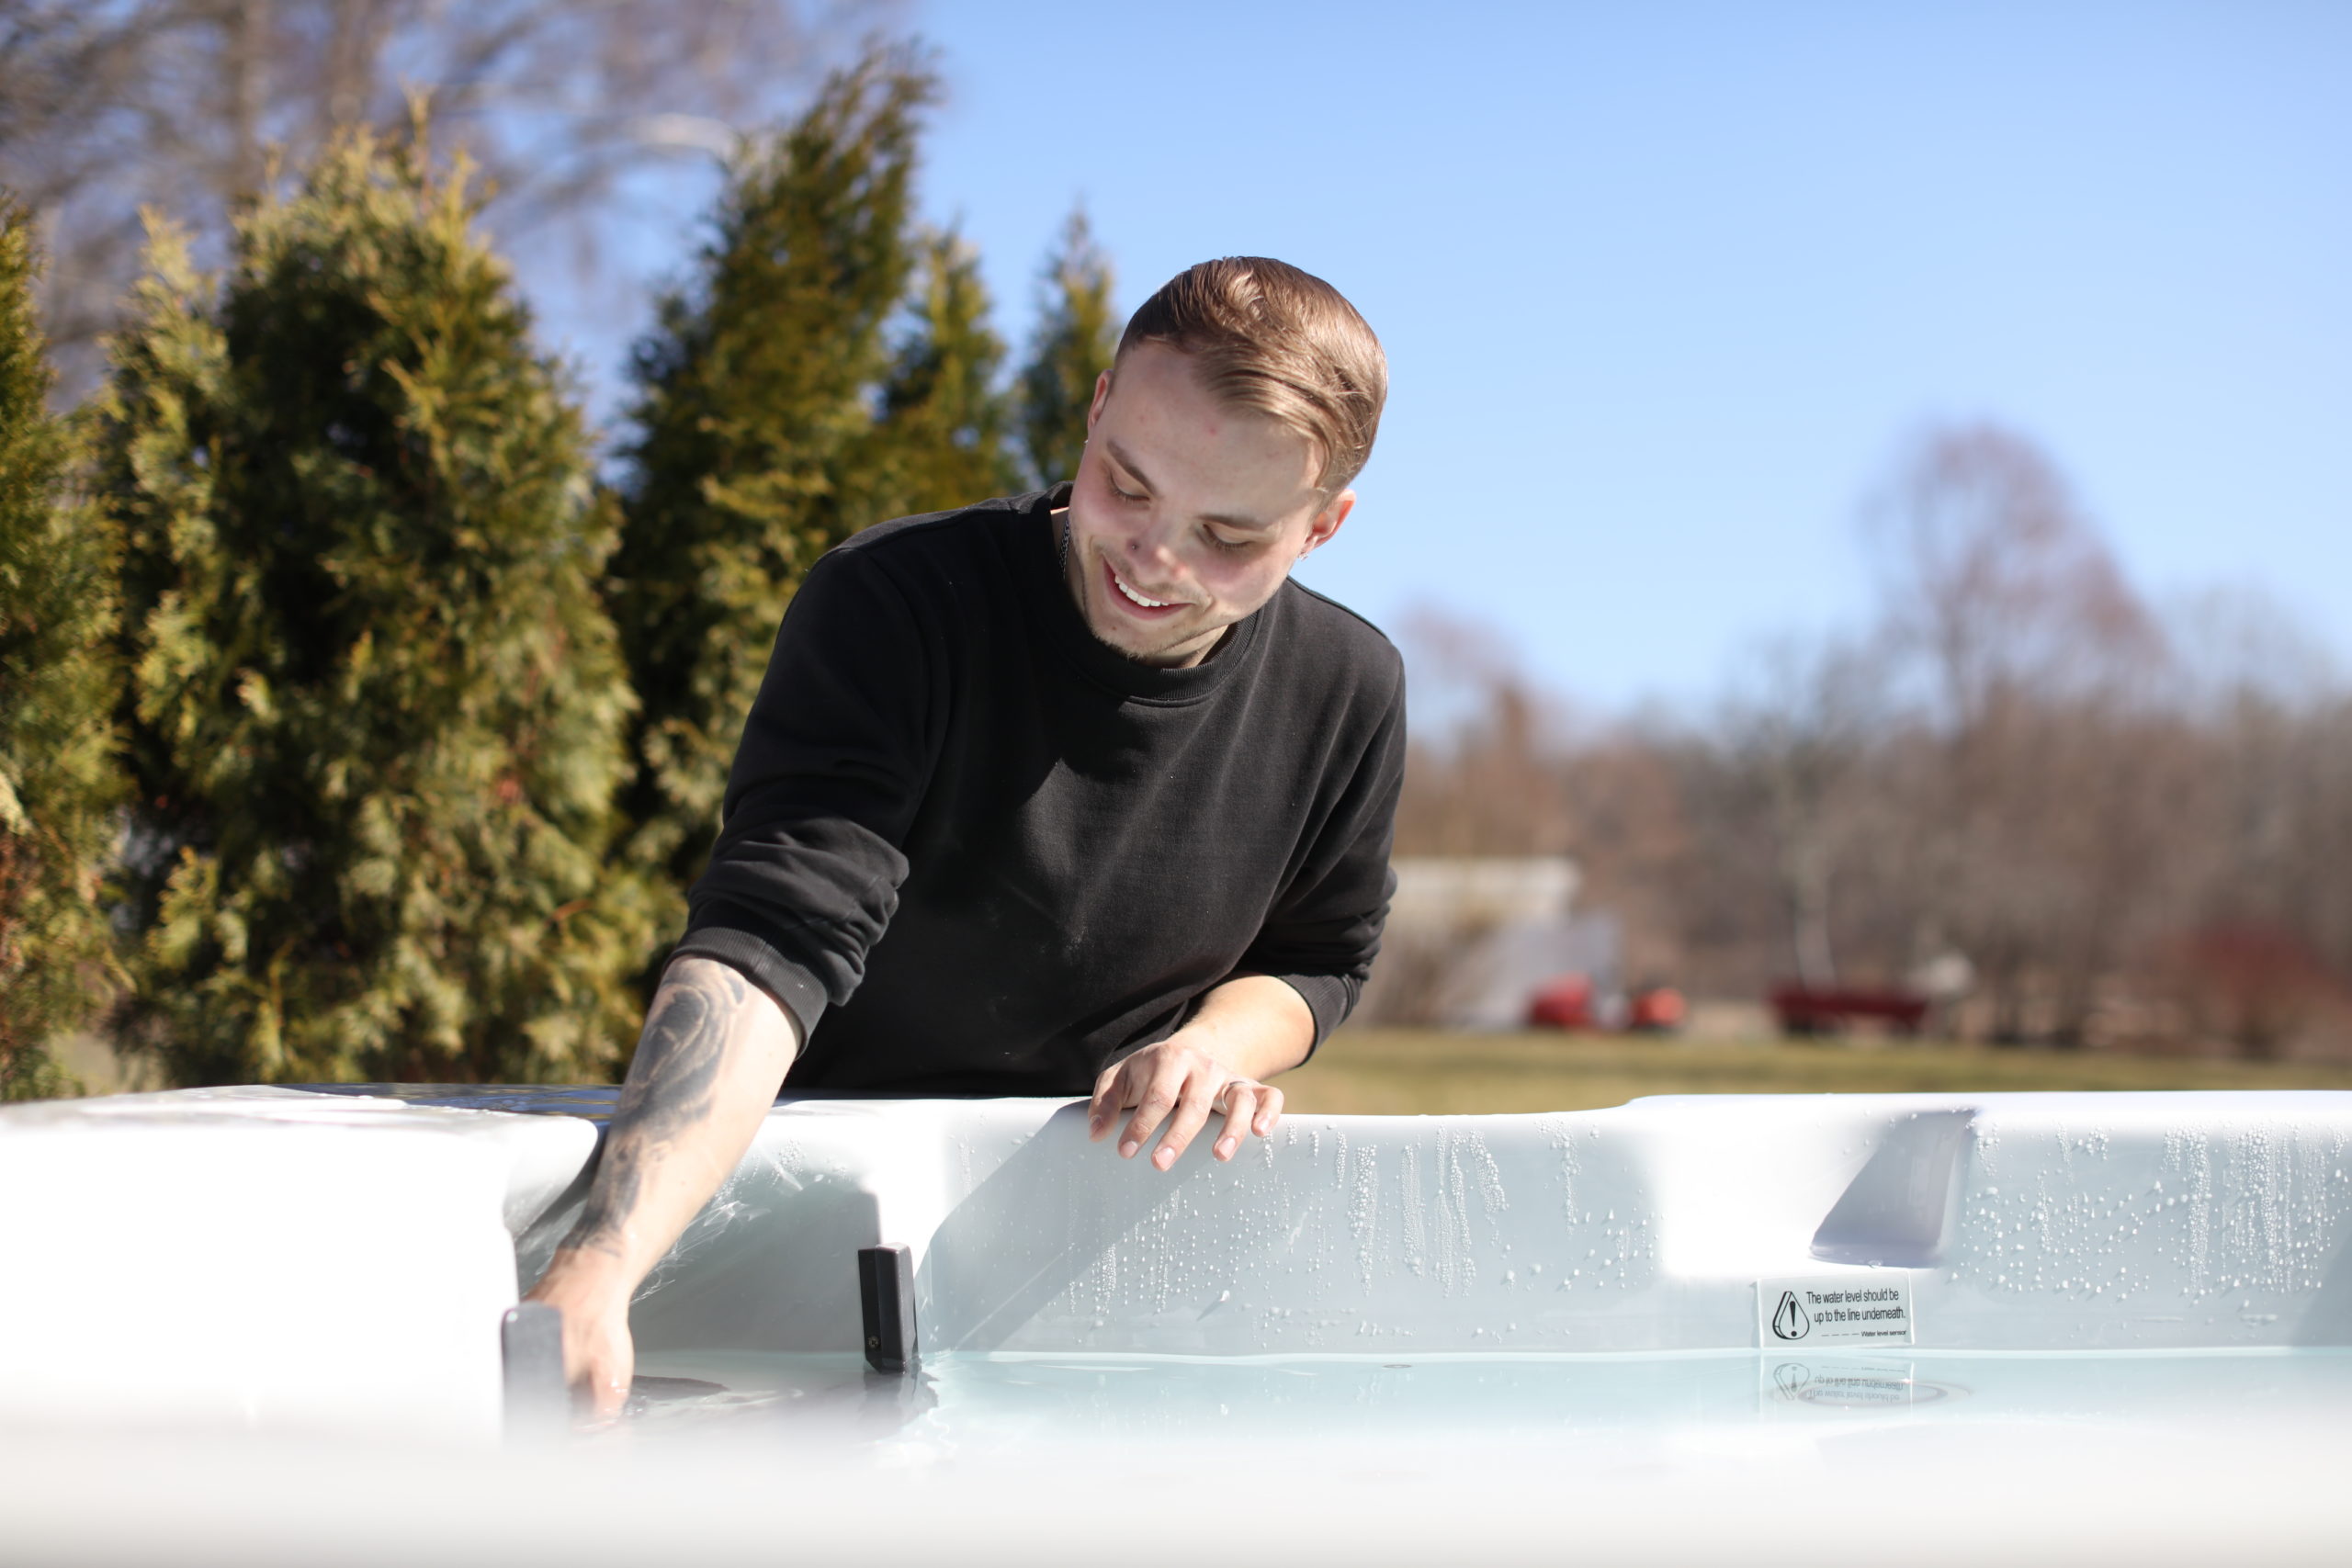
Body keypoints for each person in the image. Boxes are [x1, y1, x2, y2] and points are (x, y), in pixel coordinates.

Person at [526, 256, 1404, 1419]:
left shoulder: (1346, 688)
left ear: (1323, 526)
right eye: (1125, 485)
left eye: (1227, 537)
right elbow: (772, 940)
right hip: (818, 1223)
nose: (1155, 559)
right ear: (1095, 409)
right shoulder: (900, 604)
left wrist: (1210, 1048)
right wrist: (598, 1269)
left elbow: (1321, 956)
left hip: (1100, 1251)